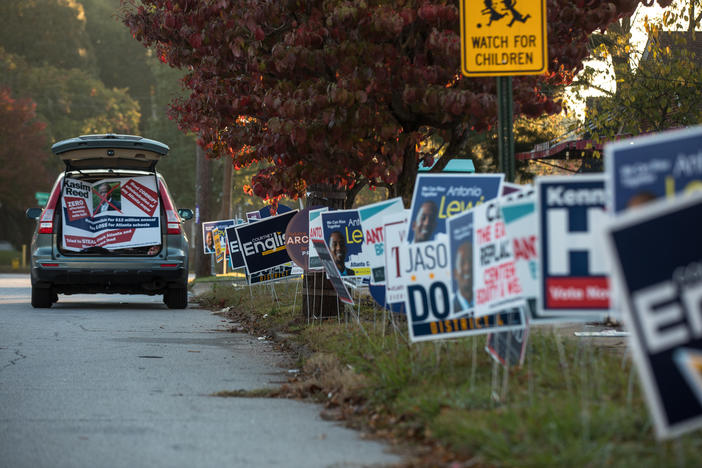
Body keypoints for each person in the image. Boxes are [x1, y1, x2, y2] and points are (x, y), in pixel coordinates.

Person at [452, 240, 474, 314]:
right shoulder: (449, 311)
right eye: (462, 262)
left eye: (471, 261)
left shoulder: (489, 306)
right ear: (455, 274)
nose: (467, 267)